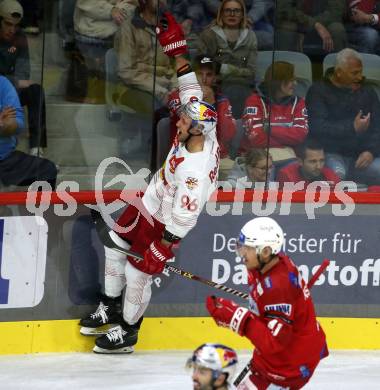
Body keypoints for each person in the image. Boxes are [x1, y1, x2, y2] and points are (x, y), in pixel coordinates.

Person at [79, 12, 221, 354]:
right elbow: (191, 89)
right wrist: (177, 52)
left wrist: (165, 246)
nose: (180, 119)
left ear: (197, 130)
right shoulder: (201, 129)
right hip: (151, 201)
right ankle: (110, 307)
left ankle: (127, 333)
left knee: (137, 274)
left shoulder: (194, 170)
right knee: (115, 243)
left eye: (185, 121)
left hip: (164, 221)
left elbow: (185, 216)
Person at [206, 217, 328, 389]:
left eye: (246, 248)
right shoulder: (273, 263)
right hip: (287, 353)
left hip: (289, 365)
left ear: (265, 251)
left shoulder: (278, 287)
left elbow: (275, 342)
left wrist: (238, 318)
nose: (242, 253)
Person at [306, 48, 380, 185]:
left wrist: (371, 151)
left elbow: (377, 127)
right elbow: (318, 128)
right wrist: (352, 127)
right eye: (354, 73)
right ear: (339, 72)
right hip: (331, 153)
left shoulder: (368, 92)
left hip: (363, 155)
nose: (359, 77)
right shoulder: (318, 91)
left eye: (360, 72)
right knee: (337, 176)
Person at [168, 55, 236, 180]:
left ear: (215, 78)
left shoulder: (222, 100)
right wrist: (208, 104)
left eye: (209, 74)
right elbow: (190, 124)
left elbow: (227, 135)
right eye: (200, 74)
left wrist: (213, 102)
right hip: (185, 157)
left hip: (219, 158)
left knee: (241, 178)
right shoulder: (177, 96)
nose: (204, 79)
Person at [238, 61, 308, 173]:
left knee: (293, 172)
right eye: (290, 80)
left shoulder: (299, 103)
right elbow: (256, 139)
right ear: (278, 82)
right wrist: (286, 140)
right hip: (256, 157)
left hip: (288, 156)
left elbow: (300, 135)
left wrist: (269, 129)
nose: (294, 83)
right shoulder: (254, 101)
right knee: (267, 171)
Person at [0, 0, 47, 156]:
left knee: (36, 91)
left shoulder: (19, 37)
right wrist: (15, 80)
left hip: (13, 92)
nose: (12, 29)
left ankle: (36, 147)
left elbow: (24, 73)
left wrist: (15, 81)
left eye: (15, 25)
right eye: (7, 24)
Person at [197, 0, 257, 117]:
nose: (232, 14)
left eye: (237, 11)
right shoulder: (209, 35)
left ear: (243, 14)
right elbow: (202, 64)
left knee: (239, 92)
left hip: (242, 85)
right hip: (216, 85)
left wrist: (224, 68)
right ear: (221, 13)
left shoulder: (250, 36)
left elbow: (252, 72)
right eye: (228, 10)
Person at [0, 75, 57, 189]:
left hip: (4, 158)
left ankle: (39, 206)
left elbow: (17, 122)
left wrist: (5, 125)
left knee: (48, 170)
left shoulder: (3, 83)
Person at [72, 0, 135, 103]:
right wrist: (111, 10)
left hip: (117, 31)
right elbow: (84, 3)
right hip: (91, 32)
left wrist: (118, 11)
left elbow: (132, 5)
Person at [275, 0, 346, 54]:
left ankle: (339, 68)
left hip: (325, 22)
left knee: (337, 29)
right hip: (297, 21)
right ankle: (283, 68)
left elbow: (335, 12)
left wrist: (314, 24)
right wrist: (313, 24)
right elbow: (283, 9)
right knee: (286, 28)